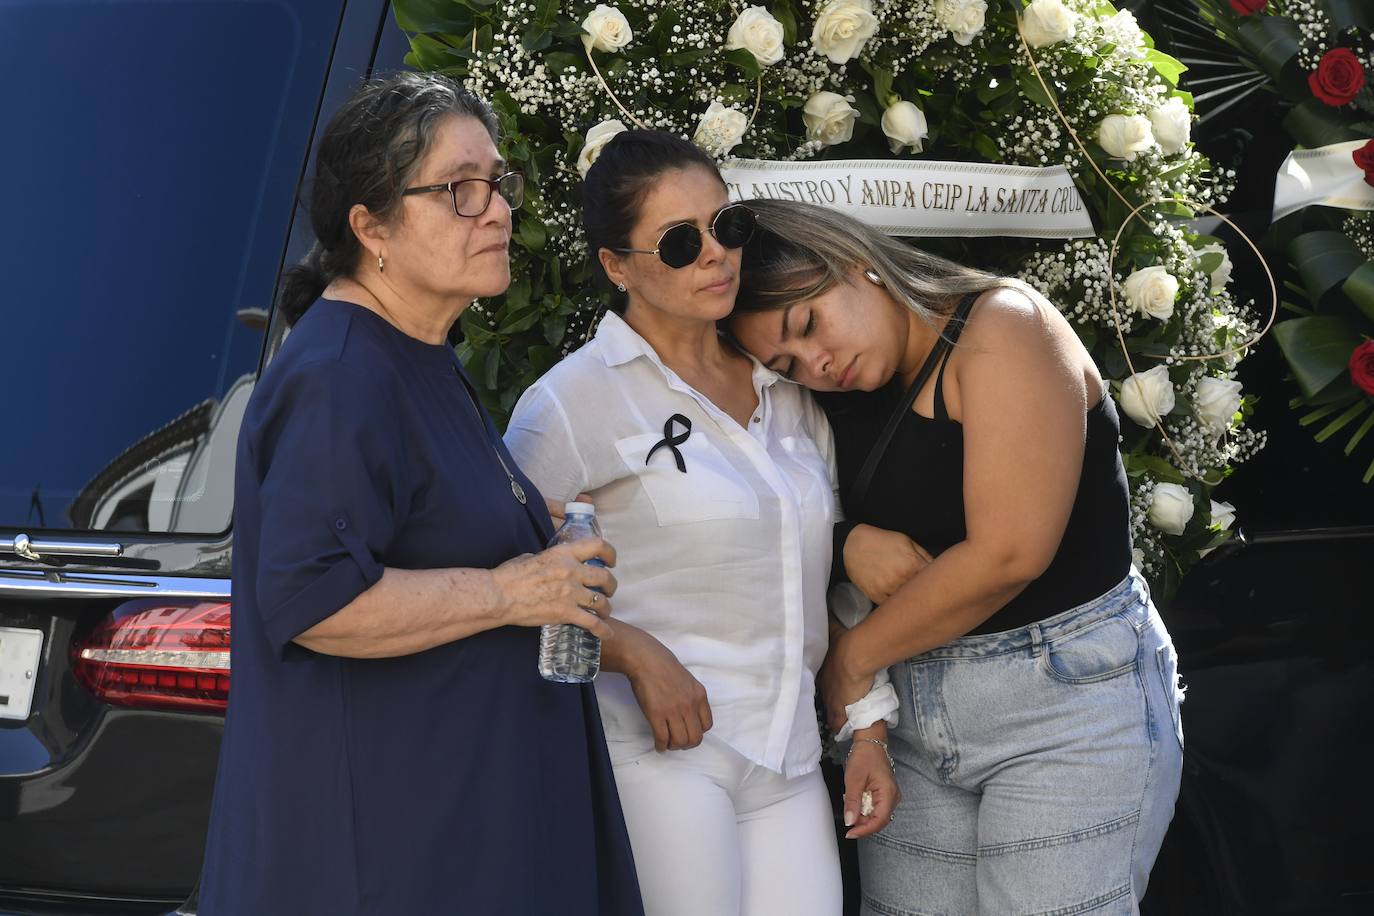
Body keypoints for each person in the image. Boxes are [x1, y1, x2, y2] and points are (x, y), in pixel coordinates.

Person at [198, 73, 642, 916]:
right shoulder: (341, 375)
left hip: (455, 832)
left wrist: (513, 517)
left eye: (498, 184)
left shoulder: (416, 349)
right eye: (458, 192)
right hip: (384, 858)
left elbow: (413, 515)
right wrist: (512, 591)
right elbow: (314, 597)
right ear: (372, 228)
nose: (497, 211)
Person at [727, 198, 1185, 915]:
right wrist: (846, 544)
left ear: (857, 263)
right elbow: (773, 516)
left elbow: (1010, 553)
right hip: (908, 717)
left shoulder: (1002, 326)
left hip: (1064, 703)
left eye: (808, 324)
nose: (815, 364)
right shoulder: (834, 392)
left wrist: (852, 661)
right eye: (786, 362)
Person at [503, 130, 898, 916]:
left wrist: (869, 729)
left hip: (785, 758)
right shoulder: (569, 403)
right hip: (658, 756)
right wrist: (635, 653)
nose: (716, 255)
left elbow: (815, 576)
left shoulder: (787, 390)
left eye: (728, 226)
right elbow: (509, 591)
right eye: (681, 243)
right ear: (617, 267)